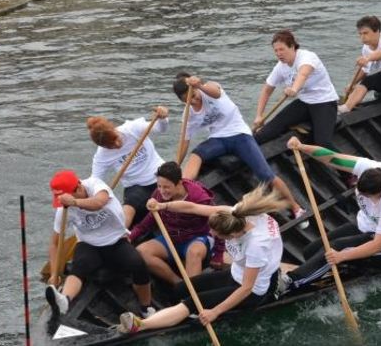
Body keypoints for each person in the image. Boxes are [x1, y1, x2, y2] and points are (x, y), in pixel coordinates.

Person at [117, 186, 288, 334]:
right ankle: (177, 315)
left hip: (253, 290)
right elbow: (192, 207)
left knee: (192, 302)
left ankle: (141, 326)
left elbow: (246, 288)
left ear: (233, 235)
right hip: (236, 273)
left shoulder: (256, 245)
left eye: (217, 235)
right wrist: (162, 205)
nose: (212, 235)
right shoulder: (234, 214)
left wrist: (215, 311)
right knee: (181, 288)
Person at [277, 136, 381, 293]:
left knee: (337, 250)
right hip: (367, 226)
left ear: (380, 193)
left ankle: (291, 283)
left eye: (367, 196)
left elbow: (377, 245)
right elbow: (333, 158)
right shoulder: (371, 168)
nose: (362, 197)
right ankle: (350, 265)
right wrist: (302, 146)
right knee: (311, 251)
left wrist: (342, 256)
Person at [172, 72, 307, 226]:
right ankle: (182, 191)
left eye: (195, 95)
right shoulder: (189, 114)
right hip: (218, 139)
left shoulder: (210, 89)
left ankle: (295, 207)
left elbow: (215, 92)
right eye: (188, 100)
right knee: (196, 155)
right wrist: (176, 164)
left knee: (265, 174)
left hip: (240, 135)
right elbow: (185, 141)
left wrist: (199, 85)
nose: (194, 100)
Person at [45, 170, 154, 318]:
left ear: (78, 188)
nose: (63, 204)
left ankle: (145, 308)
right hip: (88, 244)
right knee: (79, 266)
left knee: (137, 264)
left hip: (116, 239)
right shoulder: (64, 210)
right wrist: (54, 273)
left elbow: (98, 203)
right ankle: (64, 300)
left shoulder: (95, 184)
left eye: (65, 198)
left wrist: (75, 202)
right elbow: (55, 244)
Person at [128, 161, 224, 286]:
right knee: (141, 251)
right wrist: (131, 236)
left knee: (193, 253)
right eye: (159, 186)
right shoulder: (158, 195)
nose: (162, 191)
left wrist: (219, 253)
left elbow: (219, 221)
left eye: (166, 187)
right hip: (171, 239)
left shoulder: (199, 196)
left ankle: (192, 292)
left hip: (197, 238)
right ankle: (180, 284)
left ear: (179, 183)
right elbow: (149, 220)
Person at [253, 30, 339, 149]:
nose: (278, 54)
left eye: (281, 49)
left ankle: (350, 166)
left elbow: (303, 74)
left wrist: (294, 89)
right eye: (276, 50)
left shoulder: (307, 57)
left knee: (323, 143)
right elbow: (267, 89)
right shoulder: (280, 66)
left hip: (324, 103)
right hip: (304, 103)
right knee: (266, 132)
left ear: (292, 47)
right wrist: (259, 115)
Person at [88, 106, 169, 228]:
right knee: (128, 207)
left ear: (114, 129)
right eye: (110, 146)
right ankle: (119, 237)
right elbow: (95, 181)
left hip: (160, 175)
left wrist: (163, 118)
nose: (117, 145)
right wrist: (91, 200)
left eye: (115, 139)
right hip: (136, 186)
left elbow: (161, 129)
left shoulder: (132, 128)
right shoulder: (101, 156)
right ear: (103, 146)